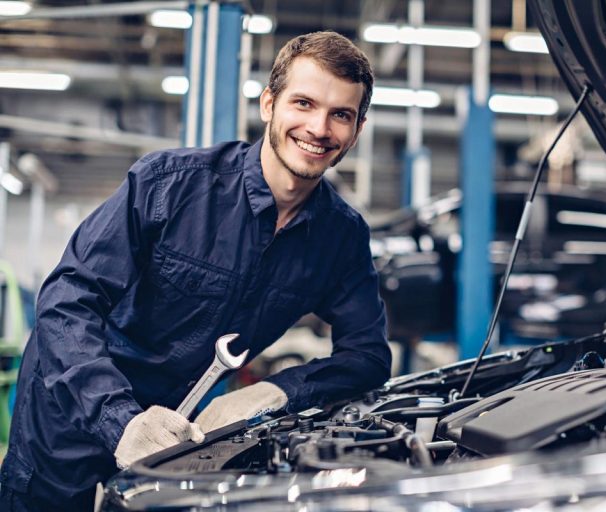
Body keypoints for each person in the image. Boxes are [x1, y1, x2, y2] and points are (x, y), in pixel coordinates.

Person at [0, 31, 391, 511]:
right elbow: (66, 301)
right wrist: (119, 419)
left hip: (183, 434)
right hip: (71, 420)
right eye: (303, 103)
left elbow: (368, 357)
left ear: (358, 128)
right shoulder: (168, 186)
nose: (318, 128)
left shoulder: (341, 237)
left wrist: (272, 392)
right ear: (269, 104)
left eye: (341, 115)